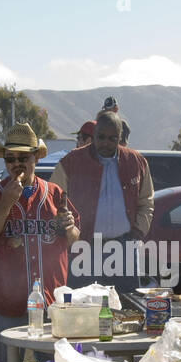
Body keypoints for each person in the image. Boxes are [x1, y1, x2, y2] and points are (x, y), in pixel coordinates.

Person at [0, 123, 80, 339]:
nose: (17, 164)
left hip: (51, 303)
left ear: (36, 158)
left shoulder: (55, 193)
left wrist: (69, 228)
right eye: (11, 159)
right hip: (7, 305)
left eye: (23, 158)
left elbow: (74, 237)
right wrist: (5, 203)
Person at [49, 111, 153, 285]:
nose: (105, 142)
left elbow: (146, 202)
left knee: (126, 307)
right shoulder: (71, 162)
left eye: (112, 138)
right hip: (83, 249)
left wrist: (137, 233)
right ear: (94, 135)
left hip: (124, 248)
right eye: (101, 137)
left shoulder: (136, 162)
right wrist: (66, 232)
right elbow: (53, 201)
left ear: (120, 138)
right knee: (81, 306)